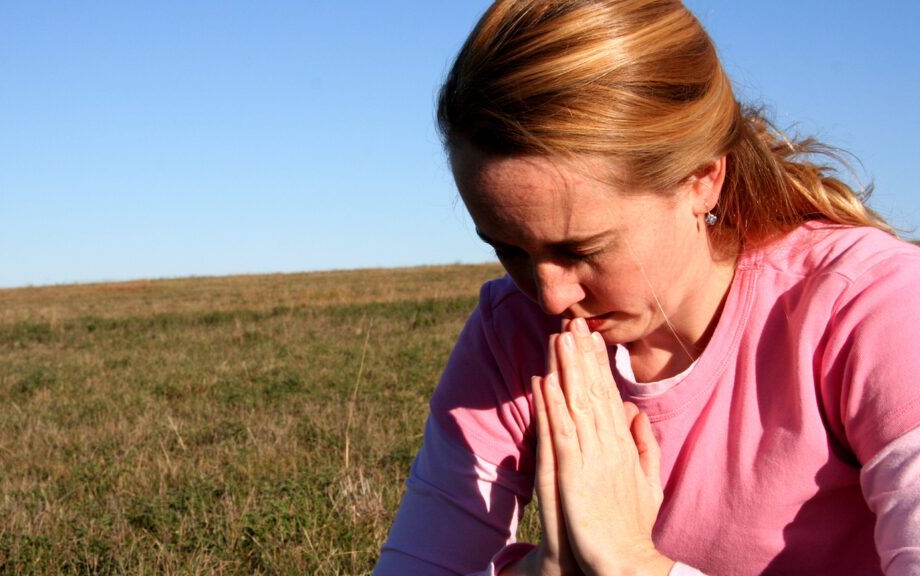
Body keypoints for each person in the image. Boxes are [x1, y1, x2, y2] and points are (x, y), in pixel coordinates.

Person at [373, 0, 920, 575]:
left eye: (581, 250)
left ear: (702, 181)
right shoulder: (511, 331)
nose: (551, 297)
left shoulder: (872, 306)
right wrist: (554, 568)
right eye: (508, 249)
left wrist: (631, 564)